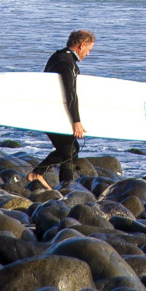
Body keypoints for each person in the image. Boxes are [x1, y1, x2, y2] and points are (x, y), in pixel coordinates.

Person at [30, 28, 94, 191]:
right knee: (69, 150)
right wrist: (76, 121)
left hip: (51, 110)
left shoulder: (58, 56)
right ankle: (37, 174)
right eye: (89, 49)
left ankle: (67, 185)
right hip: (53, 114)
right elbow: (70, 93)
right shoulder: (66, 63)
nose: (88, 54)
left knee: (72, 149)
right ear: (81, 45)